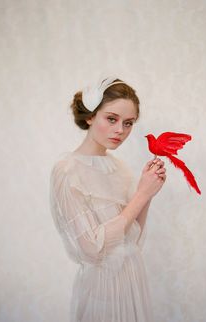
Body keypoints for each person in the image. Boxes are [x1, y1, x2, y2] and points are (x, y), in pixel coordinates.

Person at [49, 76, 166, 322]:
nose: (120, 130)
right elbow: (92, 250)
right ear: (91, 116)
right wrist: (142, 194)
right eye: (111, 119)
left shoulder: (119, 168)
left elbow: (132, 237)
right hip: (103, 288)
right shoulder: (67, 170)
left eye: (128, 123)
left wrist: (148, 193)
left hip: (132, 280)